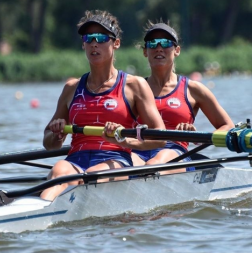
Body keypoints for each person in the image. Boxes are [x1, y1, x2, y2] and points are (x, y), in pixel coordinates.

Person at [40, 10, 166, 201]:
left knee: (93, 175)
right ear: (83, 44)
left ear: (116, 43)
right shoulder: (71, 88)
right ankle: (37, 214)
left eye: (100, 38)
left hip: (115, 159)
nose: (94, 44)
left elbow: (160, 137)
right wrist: (57, 134)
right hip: (76, 159)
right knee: (59, 170)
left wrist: (124, 141)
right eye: (88, 38)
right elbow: (48, 143)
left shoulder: (134, 85)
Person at [132, 20, 235, 170]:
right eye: (153, 43)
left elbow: (228, 126)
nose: (159, 48)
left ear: (177, 50)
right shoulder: (133, 89)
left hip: (174, 152)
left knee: (153, 165)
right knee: (120, 167)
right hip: (138, 150)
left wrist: (197, 137)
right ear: (145, 51)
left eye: (166, 43)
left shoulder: (193, 90)